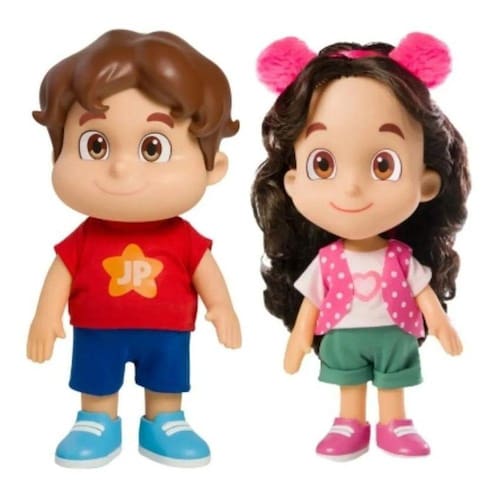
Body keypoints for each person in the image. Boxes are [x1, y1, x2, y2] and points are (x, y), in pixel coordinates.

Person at [27, 29, 241, 468]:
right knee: (96, 379)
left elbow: (206, 271)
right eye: (96, 145)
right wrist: (45, 317)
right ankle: (96, 419)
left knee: (167, 380)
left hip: (167, 333)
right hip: (96, 331)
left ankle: (165, 420)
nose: (121, 168)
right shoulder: (85, 237)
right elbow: (61, 272)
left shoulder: (183, 238)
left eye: (152, 147)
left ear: (213, 167)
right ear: (57, 157)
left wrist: (222, 308)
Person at [252, 33, 469, 460]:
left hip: (394, 336)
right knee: (349, 385)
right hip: (343, 338)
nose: (351, 188)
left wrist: (440, 324)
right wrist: (299, 338)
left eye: (383, 165)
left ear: (426, 182)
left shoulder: (400, 258)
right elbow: (312, 302)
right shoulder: (327, 260)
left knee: (392, 386)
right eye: (323, 165)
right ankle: (349, 422)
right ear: (292, 183)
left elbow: (423, 294)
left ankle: (395, 424)